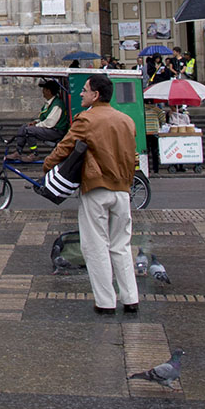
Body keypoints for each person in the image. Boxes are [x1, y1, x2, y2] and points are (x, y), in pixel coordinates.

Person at [43, 74, 139, 316]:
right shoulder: (126, 120)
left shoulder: (86, 119)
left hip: (96, 189)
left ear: (96, 95)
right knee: (121, 245)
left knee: (95, 246)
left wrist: (47, 165)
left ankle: (106, 302)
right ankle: (131, 298)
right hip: (122, 190)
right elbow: (133, 156)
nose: (81, 94)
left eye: (85, 90)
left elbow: (64, 147)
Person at [14, 80, 68, 157]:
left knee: (29, 130)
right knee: (23, 127)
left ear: (48, 91)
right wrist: (36, 122)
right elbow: (44, 117)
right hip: (49, 129)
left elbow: (50, 122)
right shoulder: (49, 103)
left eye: (44, 89)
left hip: (56, 131)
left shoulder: (57, 105)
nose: (43, 92)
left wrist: (36, 126)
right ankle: (18, 151)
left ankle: (35, 154)